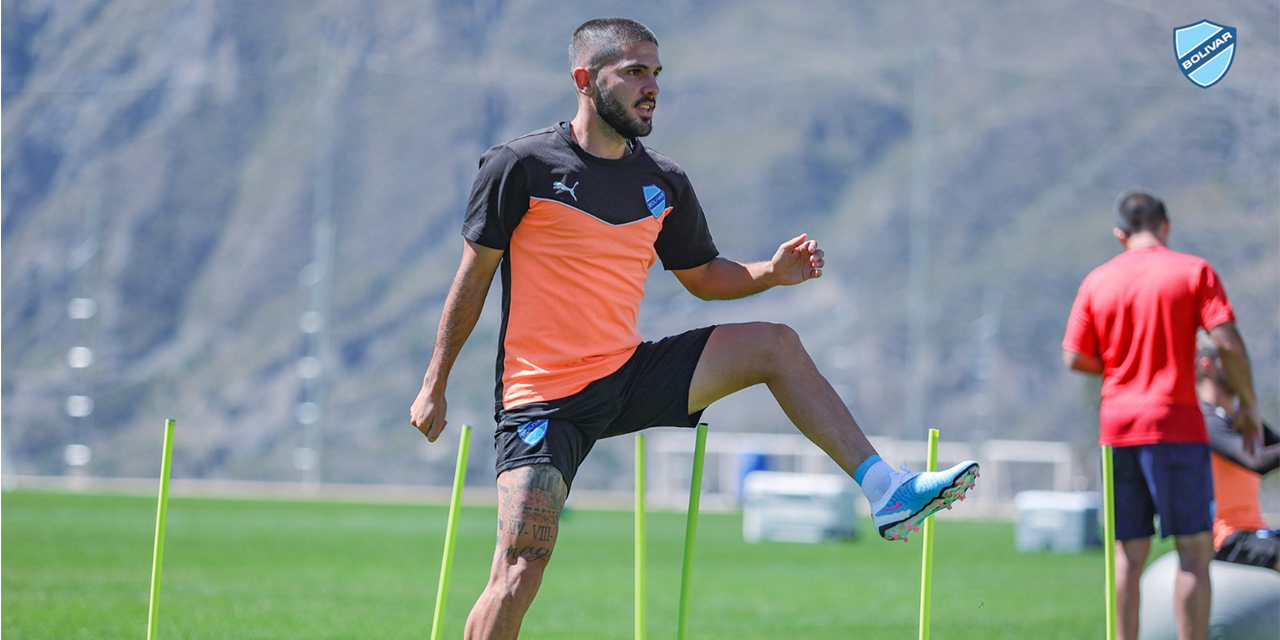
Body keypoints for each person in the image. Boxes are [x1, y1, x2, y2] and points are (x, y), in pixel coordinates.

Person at [409, 17, 979, 639]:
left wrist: (771, 271)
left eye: (656, 73)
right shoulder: (519, 165)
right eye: (634, 72)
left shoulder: (663, 181)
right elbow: (473, 277)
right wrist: (435, 382)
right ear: (583, 80)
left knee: (775, 344)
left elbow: (703, 274)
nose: (651, 86)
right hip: (542, 399)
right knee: (519, 569)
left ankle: (887, 491)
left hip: (627, 374)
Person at [1062, 189, 1261, 640]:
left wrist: (1117, 365)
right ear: (1165, 225)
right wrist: (1248, 402)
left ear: (1120, 234)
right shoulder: (1193, 271)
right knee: (1193, 552)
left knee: (1127, 557)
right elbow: (1226, 342)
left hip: (1117, 429)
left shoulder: (1098, 280)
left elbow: (1074, 356)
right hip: (1176, 426)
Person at [1195, 333, 1280, 571]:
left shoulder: (1237, 418)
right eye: (1231, 361)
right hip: (1226, 539)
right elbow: (1257, 462)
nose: (1241, 370)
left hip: (1255, 532)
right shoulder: (1205, 419)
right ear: (1208, 366)